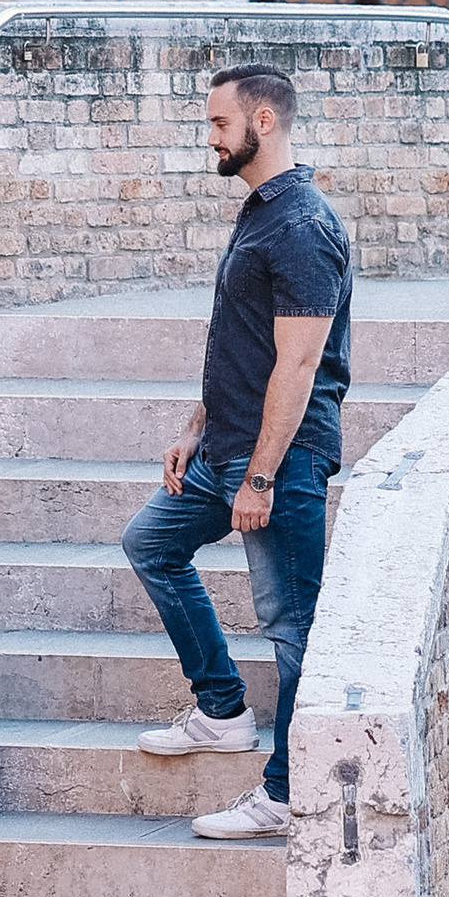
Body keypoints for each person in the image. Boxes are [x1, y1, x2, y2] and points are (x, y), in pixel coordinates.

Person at [122, 63, 352, 846]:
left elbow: (297, 364)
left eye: (219, 125)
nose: (210, 139)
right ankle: (222, 709)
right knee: (151, 542)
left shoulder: (303, 226)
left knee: (292, 627)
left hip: (278, 460)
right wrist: (197, 422)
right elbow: (242, 344)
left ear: (264, 121)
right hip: (226, 443)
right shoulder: (261, 212)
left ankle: (287, 793)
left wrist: (259, 475)